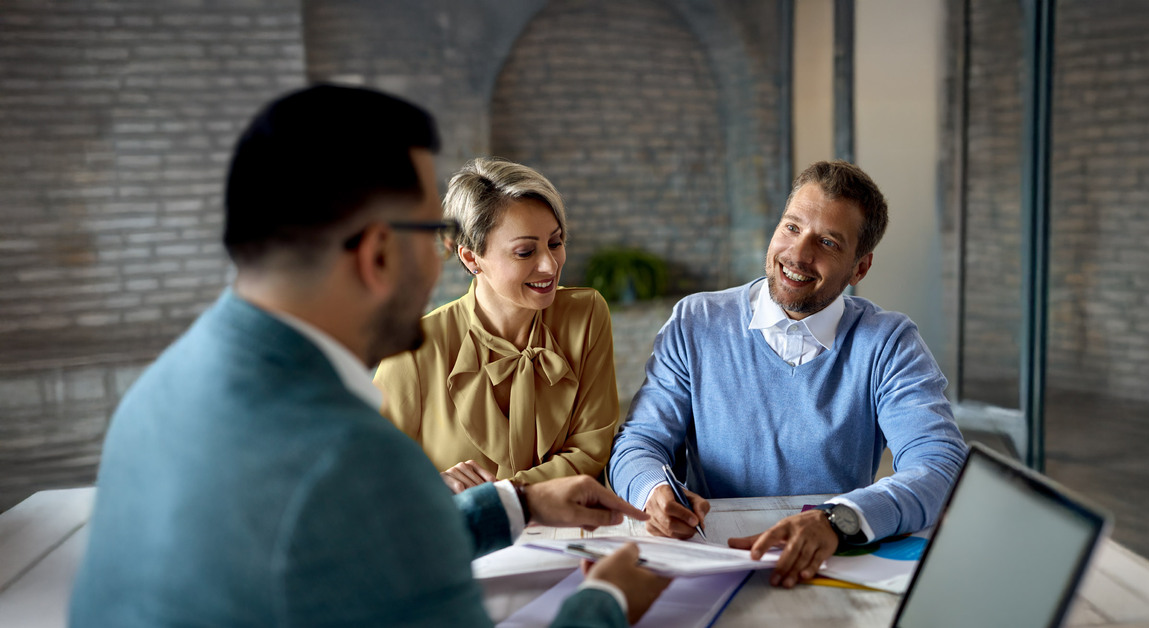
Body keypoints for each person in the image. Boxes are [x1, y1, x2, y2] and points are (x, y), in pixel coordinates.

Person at [69, 84, 668, 627]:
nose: (440, 258)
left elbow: (351, 549)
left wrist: (517, 503)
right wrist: (608, 602)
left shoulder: (163, 386)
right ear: (379, 253)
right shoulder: (354, 459)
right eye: (432, 233)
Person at [608, 160, 968, 589]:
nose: (798, 254)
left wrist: (839, 521)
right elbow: (638, 442)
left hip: (826, 565)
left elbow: (942, 467)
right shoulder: (696, 321)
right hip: (709, 559)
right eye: (792, 228)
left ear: (860, 268)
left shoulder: (889, 343)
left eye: (829, 242)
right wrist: (652, 491)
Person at [374, 158, 619, 493]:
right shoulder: (412, 348)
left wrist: (498, 496)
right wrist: (434, 485)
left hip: (566, 537)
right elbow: (369, 474)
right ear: (472, 258)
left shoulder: (586, 315)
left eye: (556, 242)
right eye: (524, 252)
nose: (550, 264)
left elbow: (591, 449)